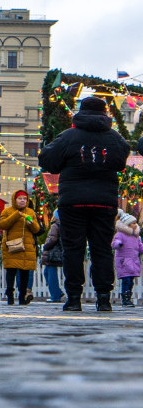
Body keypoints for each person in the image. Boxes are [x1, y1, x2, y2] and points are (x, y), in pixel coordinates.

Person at [39, 96, 131, 312]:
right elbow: (121, 161)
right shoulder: (115, 138)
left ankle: (73, 298)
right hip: (104, 203)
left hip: (73, 202)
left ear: (81, 111)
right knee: (101, 250)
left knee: (73, 249)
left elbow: (47, 160)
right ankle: (103, 298)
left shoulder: (68, 136)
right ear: (105, 113)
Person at [0, 190, 42, 306]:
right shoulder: (7, 211)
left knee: (25, 272)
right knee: (11, 271)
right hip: (11, 246)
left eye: (24, 199)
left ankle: (22, 296)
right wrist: (16, 215)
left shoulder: (30, 212)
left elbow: (37, 229)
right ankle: (10, 295)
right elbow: (3, 225)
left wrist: (30, 222)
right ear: (15, 199)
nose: (22, 201)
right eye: (20, 198)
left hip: (26, 246)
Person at [112, 225, 142, 307]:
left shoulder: (136, 236)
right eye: (132, 222)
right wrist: (119, 244)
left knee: (130, 281)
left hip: (133, 261)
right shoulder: (120, 234)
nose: (135, 224)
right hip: (124, 261)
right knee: (126, 280)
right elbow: (114, 243)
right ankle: (125, 299)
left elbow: (140, 247)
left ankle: (128, 297)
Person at [41, 212, 64, 303]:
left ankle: (55, 295)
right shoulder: (64, 224)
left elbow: (53, 238)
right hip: (59, 252)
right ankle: (57, 292)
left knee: (50, 273)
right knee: (47, 272)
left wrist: (46, 246)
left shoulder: (55, 225)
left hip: (52, 252)